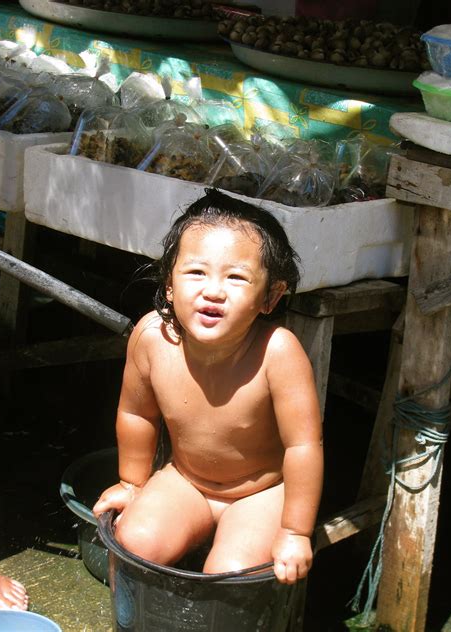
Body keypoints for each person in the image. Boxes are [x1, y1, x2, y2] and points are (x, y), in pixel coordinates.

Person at [93, 188, 323, 584]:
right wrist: (132, 482)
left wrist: (295, 531)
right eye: (196, 272)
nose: (213, 290)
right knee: (133, 543)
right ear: (169, 285)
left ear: (270, 297)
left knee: (230, 574)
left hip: (261, 493)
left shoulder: (278, 352)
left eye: (236, 278)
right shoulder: (151, 338)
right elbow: (136, 414)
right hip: (187, 480)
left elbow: (303, 447)